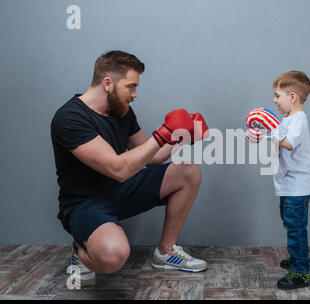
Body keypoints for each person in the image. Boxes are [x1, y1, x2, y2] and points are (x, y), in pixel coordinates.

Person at [51, 50, 209, 287]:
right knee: (112, 257)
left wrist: (184, 137)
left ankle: (166, 253)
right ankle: (81, 249)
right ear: (108, 83)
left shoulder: (121, 111)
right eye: (131, 86)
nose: (135, 94)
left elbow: (151, 156)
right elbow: (118, 168)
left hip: (122, 189)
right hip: (85, 203)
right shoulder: (69, 118)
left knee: (188, 171)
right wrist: (164, 132)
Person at [272, 71, 310, 290]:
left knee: (295, 227)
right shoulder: (288, 118)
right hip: (288, 185)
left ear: (292, 97)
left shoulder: (299, 119)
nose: (274, 100)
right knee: (290, 223)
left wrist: (269, 129)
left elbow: (288, 143)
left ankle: (300, 271)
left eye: (277, 95)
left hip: (297, 186)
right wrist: (262, 135)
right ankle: (297, 256)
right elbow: (277, 142)